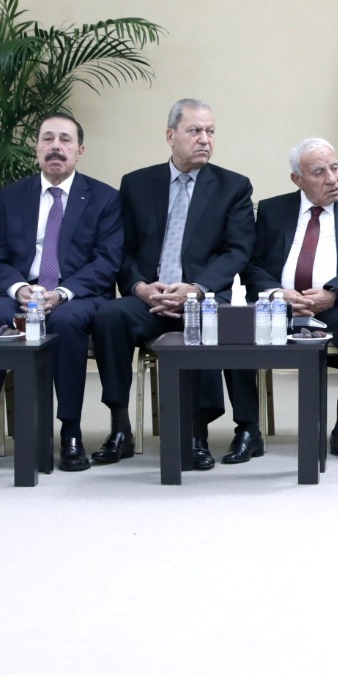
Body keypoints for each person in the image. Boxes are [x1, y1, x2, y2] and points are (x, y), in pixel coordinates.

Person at [90, 98, 254, 470]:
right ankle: (120, 427)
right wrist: (139, 287)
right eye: (194, 130)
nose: (205, 139)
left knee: (208, 319)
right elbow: (122, 249)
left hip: (200, 296)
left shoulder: (233, 187)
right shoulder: (136, 184)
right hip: (148, 297)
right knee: (109, 317)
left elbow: (238, 250)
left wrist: (196, 288)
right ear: (170, 136)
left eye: (210, 131)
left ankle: (196, 434)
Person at [0, 114, 123, 473]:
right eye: (47, 139)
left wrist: (62, 293)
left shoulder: (104, 198)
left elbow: (107, 261)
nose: (56, 147)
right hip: (21, 293)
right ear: (36, 148)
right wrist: (20, 288)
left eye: (65, 140)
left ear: (80, 151)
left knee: (66, 322)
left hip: (77, 295)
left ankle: (70, 432)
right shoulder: (11, 197)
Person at [236, 138, 338, 462]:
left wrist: (333, 293)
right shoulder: (273, 210)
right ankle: (247, 428)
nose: (332, 179)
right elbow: (250, 264)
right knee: (236, 328)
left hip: (335, 307)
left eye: (335, 168)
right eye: (319, 172)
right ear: (297, 179)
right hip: (278, 308)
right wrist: (277, 294)